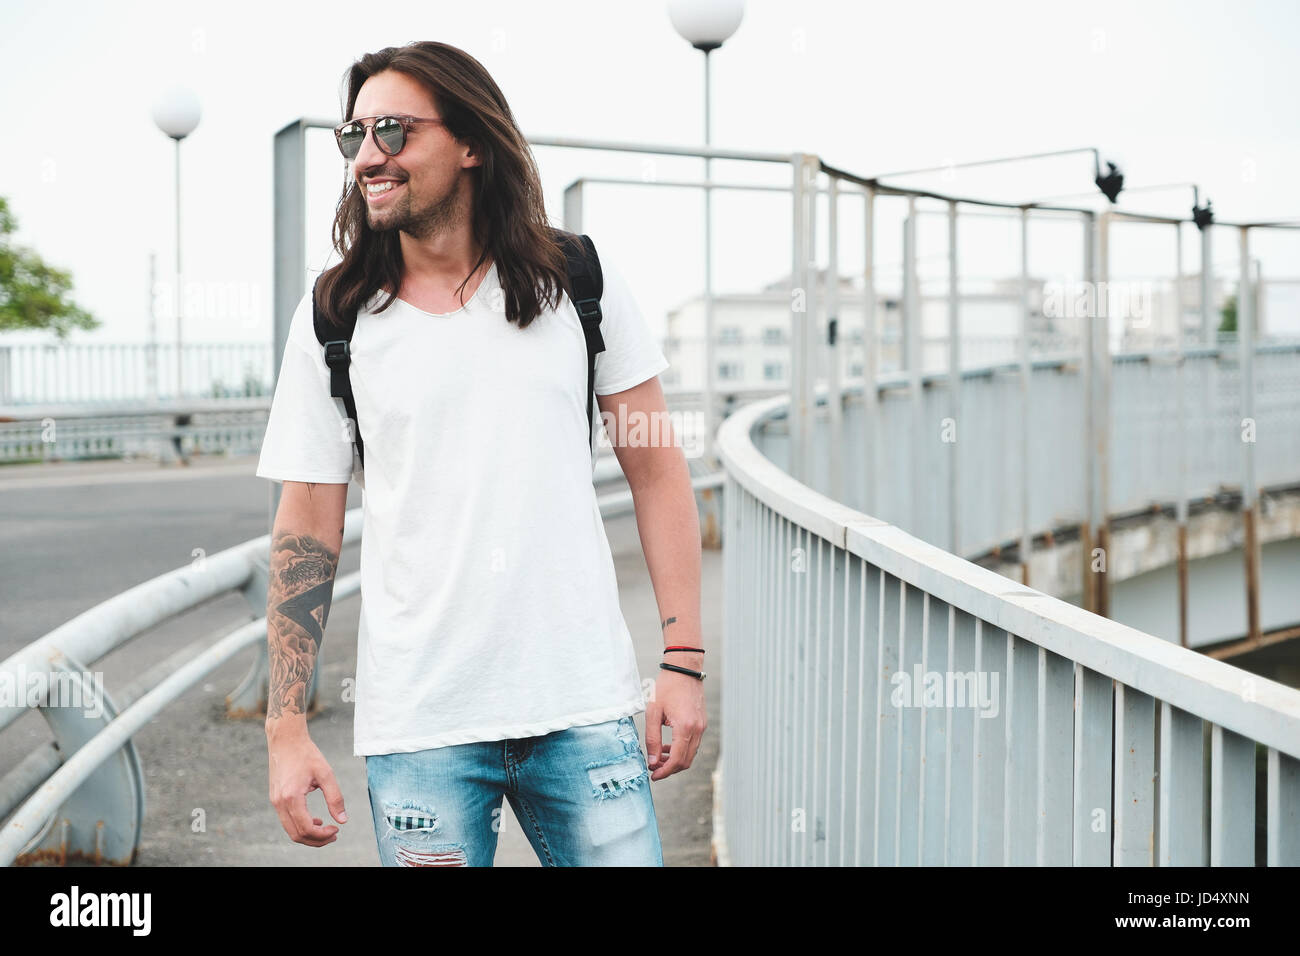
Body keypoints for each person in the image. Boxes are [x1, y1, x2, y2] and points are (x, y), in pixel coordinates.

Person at [254, 41, 706, 866]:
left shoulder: (577, 279)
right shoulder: (335, 316)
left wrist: (683, 662)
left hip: (583, 707)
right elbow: (307, 524)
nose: (368, 156)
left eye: (392, 130)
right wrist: (285, 727)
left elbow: (657, 469)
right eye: (353, 135)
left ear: (470, 143)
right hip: (423, 726)